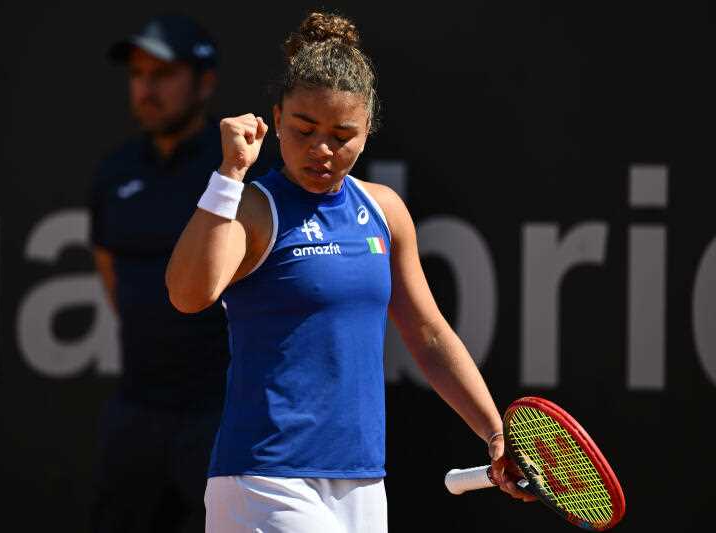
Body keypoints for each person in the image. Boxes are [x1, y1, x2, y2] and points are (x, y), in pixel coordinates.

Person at [165, 11, 535, 532]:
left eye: (342, 135)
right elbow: (188, 294)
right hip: (265, 480)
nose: (321, 150)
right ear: (276, 118)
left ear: (366, 133)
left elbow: (428, 334)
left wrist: (495, 433)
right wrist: (229, 174)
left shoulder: (384, 211)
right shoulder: (253, 208)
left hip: (362, 482)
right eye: (303, 129)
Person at [87, 13, 276, 532]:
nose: (147, 89)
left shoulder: (239, 172)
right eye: (138, 74)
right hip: (136, 411)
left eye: (164, 74)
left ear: (205, 82)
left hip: (223, 415)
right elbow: (112, 275)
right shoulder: (114, 171)